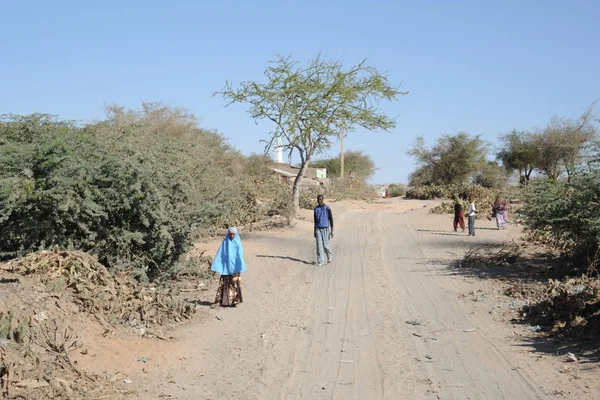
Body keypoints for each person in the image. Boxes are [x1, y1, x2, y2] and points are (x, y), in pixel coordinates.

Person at [210, 227, 247, 307]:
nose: (231, 235)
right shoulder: (225, 243)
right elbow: (220, 255)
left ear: (236, 234)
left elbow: (240, 257)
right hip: (226, 268)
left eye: (233, 234)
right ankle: (221, 301)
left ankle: (234, 301)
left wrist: (239, 268)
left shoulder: (238, 244)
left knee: (234, 285)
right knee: (224, 284)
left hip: (235, 268)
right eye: (230, 234)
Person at [314, 195, 333, 266]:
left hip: (326, 229)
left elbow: (331, 219)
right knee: (319, 245)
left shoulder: (327, 208)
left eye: (321, 199)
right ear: (317, 200)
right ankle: (320, 261)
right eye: (318, 199)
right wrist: (314, 230)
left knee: (325, 245)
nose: (319, 201)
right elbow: (315, 221)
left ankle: (329, 255)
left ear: (323, 199)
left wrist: (332, 230)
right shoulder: (316, 209)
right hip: (318, 229)